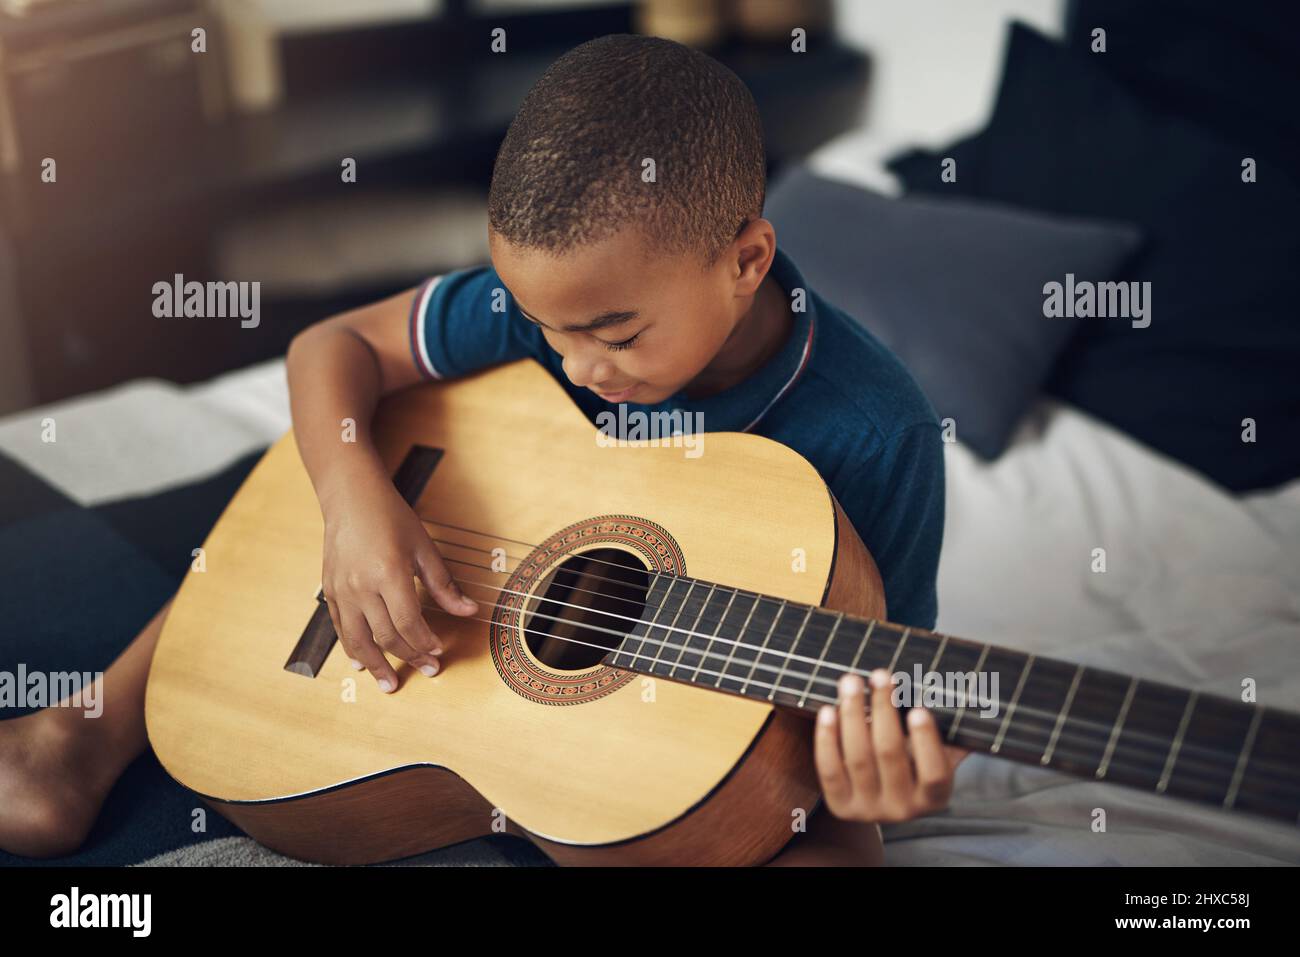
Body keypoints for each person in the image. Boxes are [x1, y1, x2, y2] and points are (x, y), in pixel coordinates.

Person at [0, 34, 967, 864]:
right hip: (470, 610)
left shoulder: (880, 434)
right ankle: (79, 737)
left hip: (713, 756)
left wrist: (888, 780)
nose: (578, 364)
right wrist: (355, 506)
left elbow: (882, 694)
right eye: (553, 332)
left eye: (619, 336)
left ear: (747, 261)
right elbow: (329, 347)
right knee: (314, 506)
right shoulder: (557, 299)